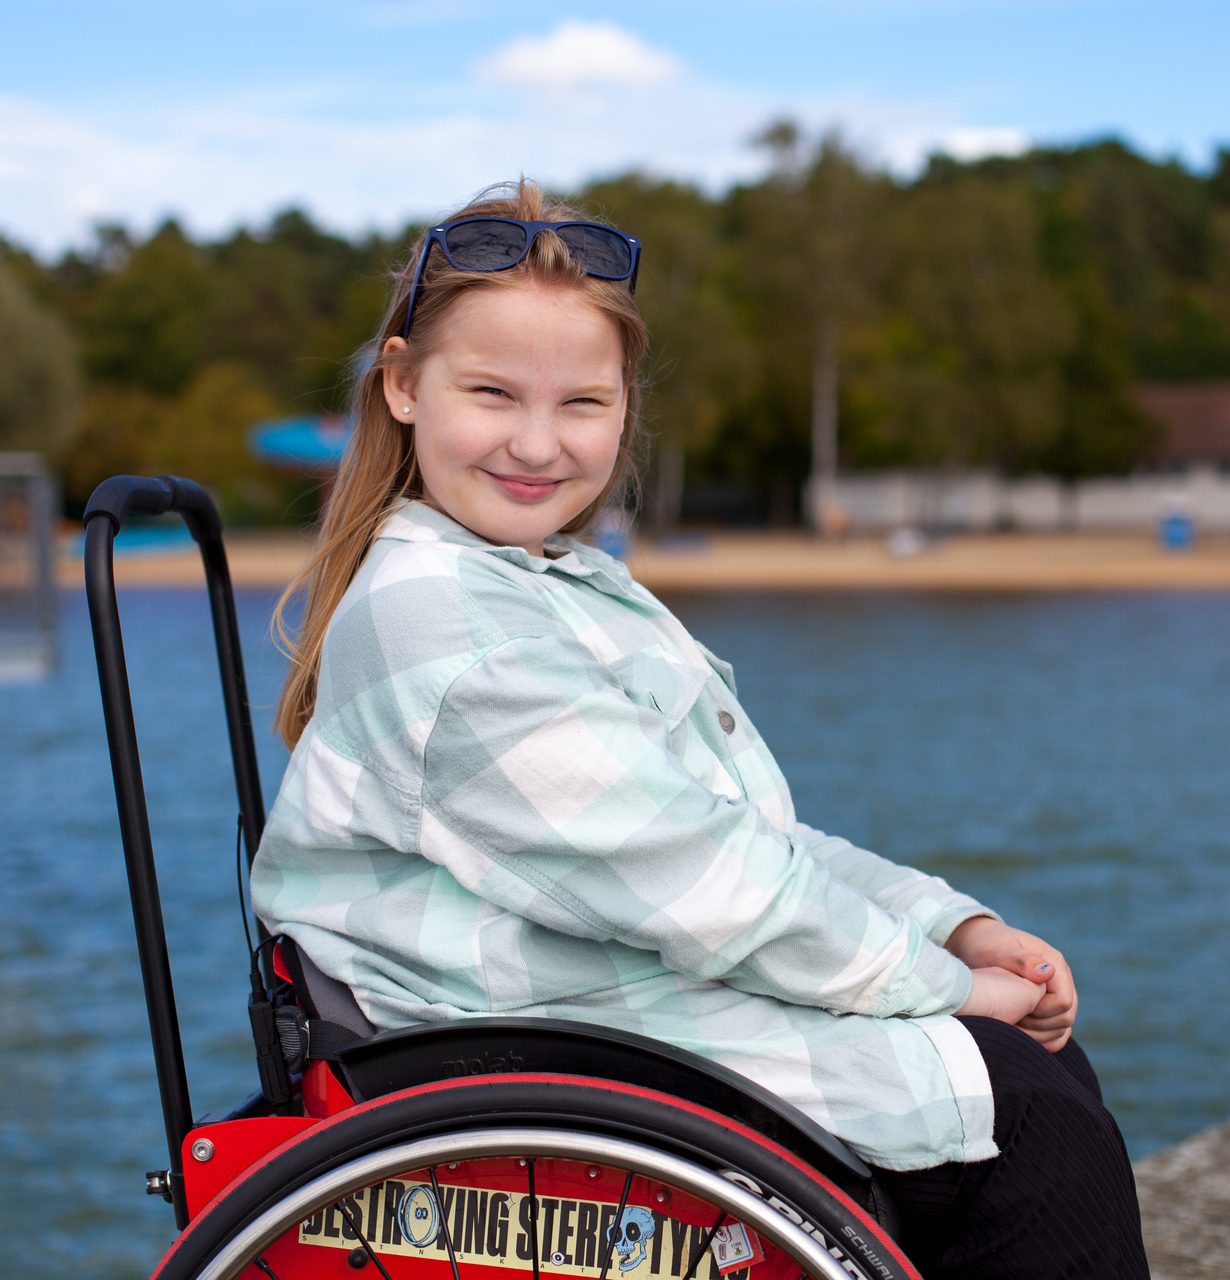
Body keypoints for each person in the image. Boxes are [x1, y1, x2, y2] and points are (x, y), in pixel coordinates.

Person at [252, 179, 1149, 1280]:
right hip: (519, 1067)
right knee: (1026, 1117)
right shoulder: (450, 626)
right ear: (401, 385)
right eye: (491, 393)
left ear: (626, 406)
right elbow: (714, 885)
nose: (537, 442)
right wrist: (955, 991)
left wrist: (952, 927)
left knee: (1032, 1085)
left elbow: (737, 842)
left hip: (595, 1016)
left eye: (582, 403)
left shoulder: (552, 584)